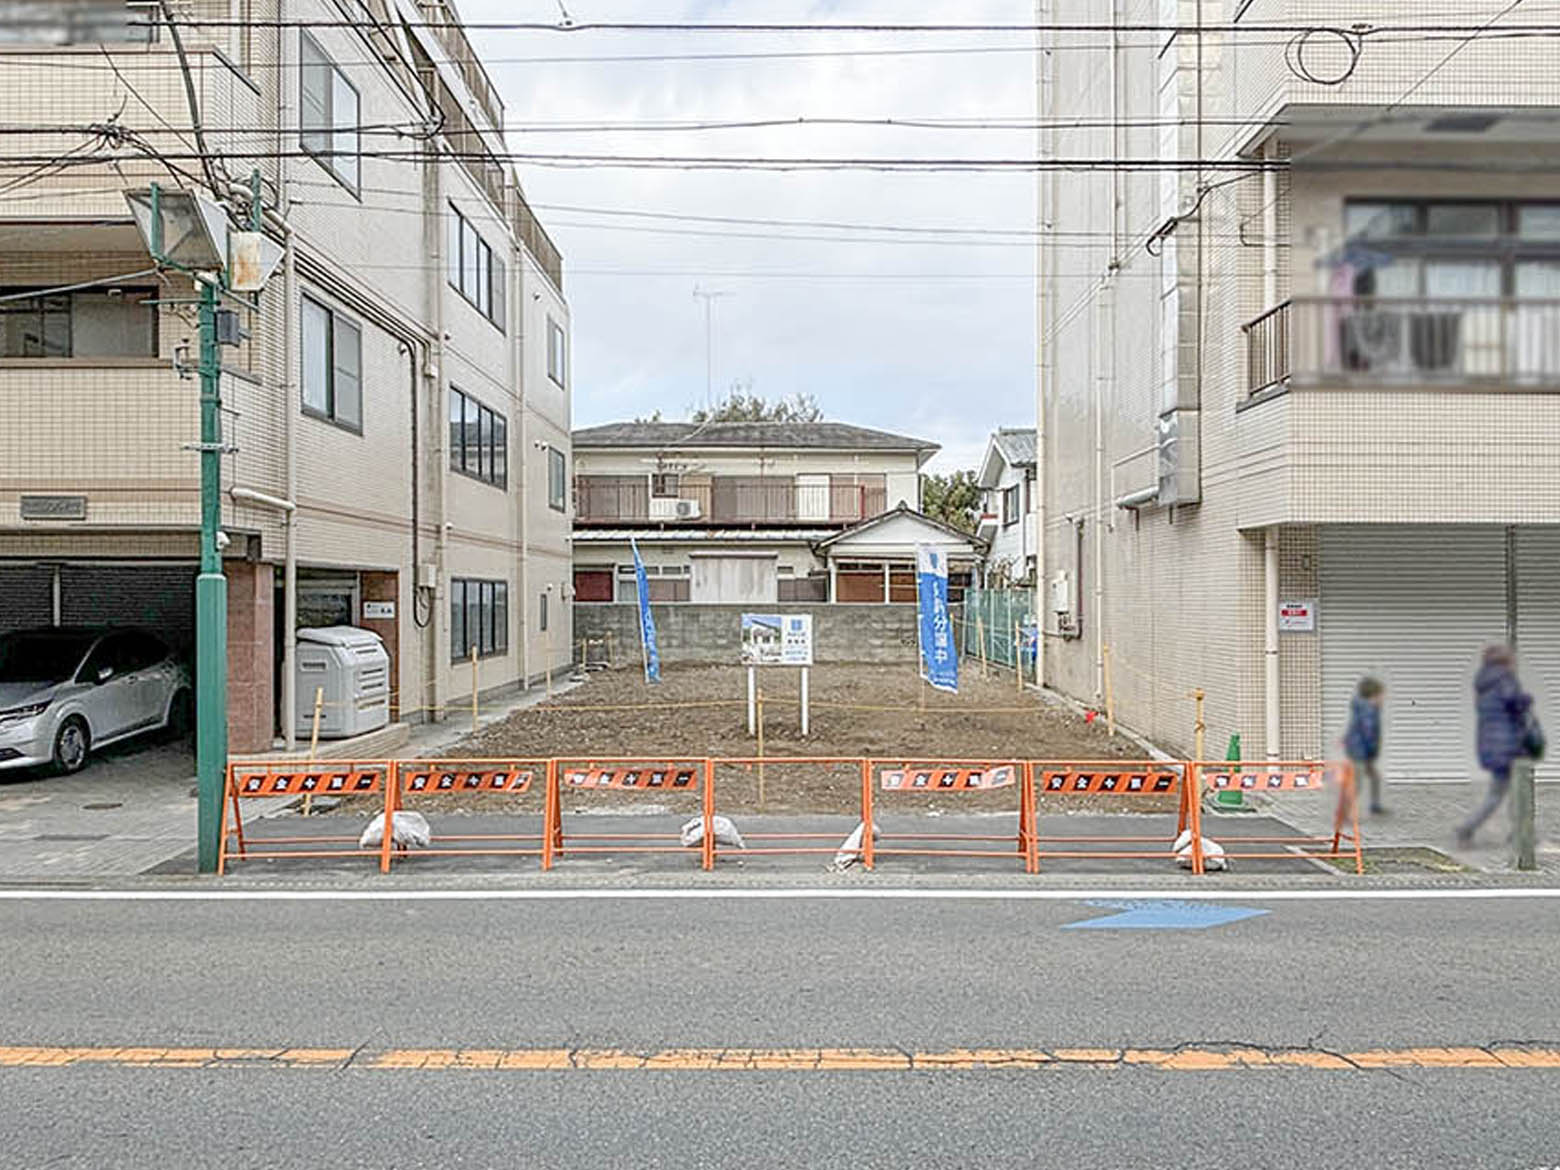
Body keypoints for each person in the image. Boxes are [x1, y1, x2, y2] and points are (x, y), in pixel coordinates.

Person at [1457, 645, 1539, 847]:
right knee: (1502, 794)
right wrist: (1526, 700)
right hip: (1508, 747)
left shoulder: (1485, 684)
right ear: (1505, 662)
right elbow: (1515, 705)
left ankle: (1517, 832)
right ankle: (1467, 828)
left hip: (1493, 747)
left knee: (1511, 792)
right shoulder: (1505, 681)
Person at [1342, 676, 1386, 815]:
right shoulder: (1368, 710)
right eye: (1380, 694)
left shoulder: (1362, 706)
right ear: (1373, 694)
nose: (1383, 697)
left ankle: (1375, 805)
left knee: (1373, 776)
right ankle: (1346, 811)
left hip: (1356, 747)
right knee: (1357, 781)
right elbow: (1368, 732)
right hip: (1361, 750)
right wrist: (1372, 751)